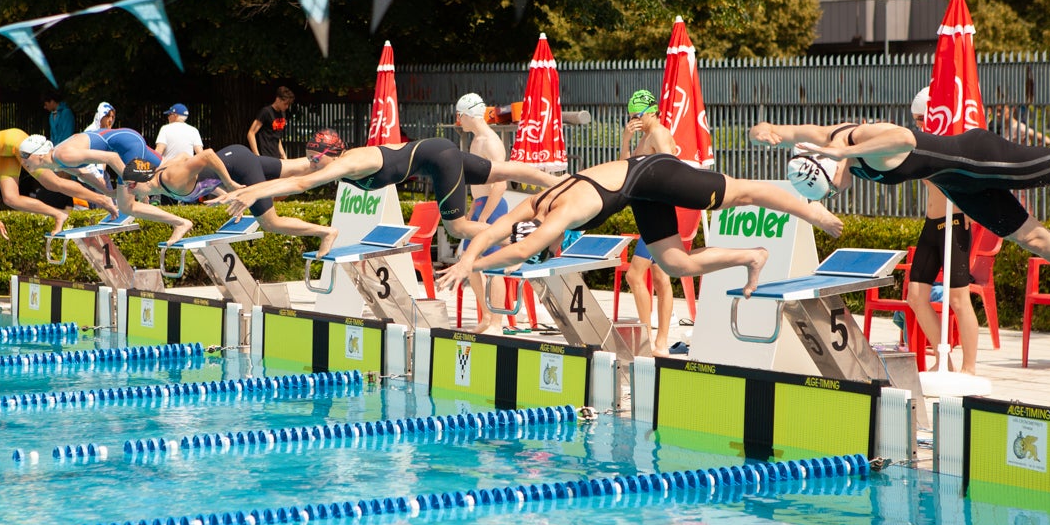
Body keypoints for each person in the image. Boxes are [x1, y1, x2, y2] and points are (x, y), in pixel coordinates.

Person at [748, 117, 1050, 331]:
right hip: (957, 183)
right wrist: (763, 131)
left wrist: (845, 152)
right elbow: (777, 130)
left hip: (976, 157)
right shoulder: (820, 142)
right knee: (1035, 239)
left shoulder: (854, 142)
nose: (838, 191)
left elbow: (902, 137)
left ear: (827, 165)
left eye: (831, 187)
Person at [435, 156, 843, 299]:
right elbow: (490, 232)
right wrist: (469, 256)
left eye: (552, 247)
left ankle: (812, 212)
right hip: (639, 194)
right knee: (676, 264)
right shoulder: (533, 205)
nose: (558, 246)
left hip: (654, 173)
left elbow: (522, 250)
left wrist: (470, 265)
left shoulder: (559, 216)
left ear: (546, 236)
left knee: (743, 193)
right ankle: (753, 257)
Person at [218, 130, 560, 241]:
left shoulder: (347, 164)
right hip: (434, 153)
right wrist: (249, 189)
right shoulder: (332, 161)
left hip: (437, 159)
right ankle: (557, 182)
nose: (310, 163)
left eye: (314, 159)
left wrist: (252, 193)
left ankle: (525, 234)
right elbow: (288, 173)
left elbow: (301, 183)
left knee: (457, 228)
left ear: (327, 156)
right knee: (497, 171)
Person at [124, 143, 341, 254]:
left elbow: (208, 154)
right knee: (295, 167)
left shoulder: (172, 178)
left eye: (131, 186)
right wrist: (224, 194)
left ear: (143, 179)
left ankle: (326, 232)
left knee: (270, 223)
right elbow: (185, 159)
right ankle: (339, 160)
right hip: (236, 158)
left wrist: (230, 185)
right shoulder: (159, 179)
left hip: (238, 166)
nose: (130, 192)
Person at [905, 89, 979, 377]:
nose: (919, 125)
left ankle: (969, 367)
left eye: (923, 118)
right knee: (915, 296)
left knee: (959, 299)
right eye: (916, 119)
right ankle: (943, 360)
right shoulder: (922, 145)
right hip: (931, 225)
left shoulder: (955, 144)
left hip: (954, 224)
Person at [18, 128, 193, 244]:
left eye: (25, 156)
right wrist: (107, 192)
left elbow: (111, 158)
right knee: (167, 171)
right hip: (127, 140)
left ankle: (181, 223)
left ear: (38, 154)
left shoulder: (62, 156)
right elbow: (82, 174)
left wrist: (133, 182)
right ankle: (185, 159)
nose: (23, 161)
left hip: (125, 146)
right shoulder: (55, 161)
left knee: (127, 206)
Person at [0, 128, 116, 240]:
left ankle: (103, 199)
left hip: (15, 141)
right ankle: (58, 215)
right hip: (5, 152)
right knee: (11, 199)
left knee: (52, 182)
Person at [619, 90, 681, 357]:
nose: (635, 120)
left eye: (638, 115)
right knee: (660, 277)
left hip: (658, 212)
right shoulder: (645, 137)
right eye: (631, 116)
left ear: (653, 112)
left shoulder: (658, 133)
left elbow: (670, 168)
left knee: (635, 275)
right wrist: (626, 138)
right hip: (649, 211)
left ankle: (648, 338)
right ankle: (660, 343)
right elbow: (625, 168)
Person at [453, 93, 511, 334]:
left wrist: (485, 217)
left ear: (468, 115)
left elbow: (501, 184)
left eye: (459, 116)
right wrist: (472, 210)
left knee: (495, 266)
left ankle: (497, 323)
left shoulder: (491, 142)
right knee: (469, 261)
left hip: (493, 209)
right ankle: (487, 316)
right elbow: (479, 185)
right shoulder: (476, 141)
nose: (458, 121)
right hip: (480, 206)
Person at [248, 86, 293, 160]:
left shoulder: (283, 114)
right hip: (264, 156)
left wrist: (283, 155)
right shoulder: (266, 112)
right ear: (278, 99)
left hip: (276, 157)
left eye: (288, 104)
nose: (287, 107)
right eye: (285, 104)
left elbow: (277, 137)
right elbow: (251, 133)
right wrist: (257, 156)